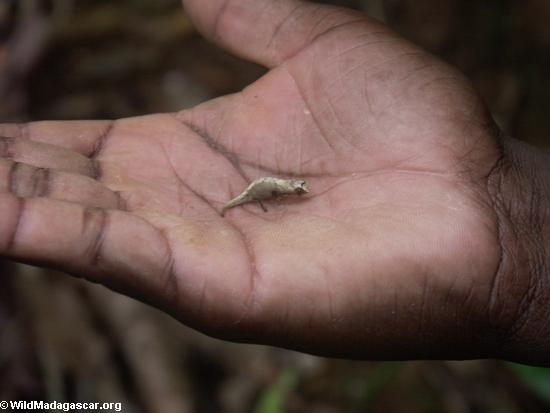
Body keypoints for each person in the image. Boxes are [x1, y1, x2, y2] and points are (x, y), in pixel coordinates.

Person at [0, 0, 548, 366]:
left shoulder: (288, 188)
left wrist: (510, 229)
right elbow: (274, 188)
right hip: (257, 192)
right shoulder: (274, 189)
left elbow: (286, 188)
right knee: (246, 200)